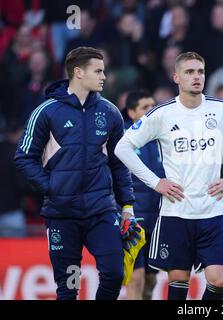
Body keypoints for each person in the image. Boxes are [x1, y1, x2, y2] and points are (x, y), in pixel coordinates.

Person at [114, 52, 223, 300]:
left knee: (219, 279)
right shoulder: (162, 114)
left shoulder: (220, 109)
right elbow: (122, 148)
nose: (196, 76)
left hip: (211, 212)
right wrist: (156, 182)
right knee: (179, 281)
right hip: (176, 213)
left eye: (200, 71)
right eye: (189, 72)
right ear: (176, 77)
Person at [14, 46, 135, 300]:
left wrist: (127, 205)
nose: (104, 76)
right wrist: (52, 187)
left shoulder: (110, 112)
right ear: (78, 72)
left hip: (101, 211)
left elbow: (120, 163)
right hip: (62, 214)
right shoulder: (46, 112)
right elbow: (24, 158)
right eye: (98, 71)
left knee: (114, 274)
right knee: (68, 288)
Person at [123, 90, 164, 300]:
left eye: (153, 106)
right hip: (132, 221)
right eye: (144, 107)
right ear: (131, 112)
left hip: (157, 220)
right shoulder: (123, 142)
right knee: (135, 279)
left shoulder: (164, 140)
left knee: (151, 280)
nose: (151, 110)